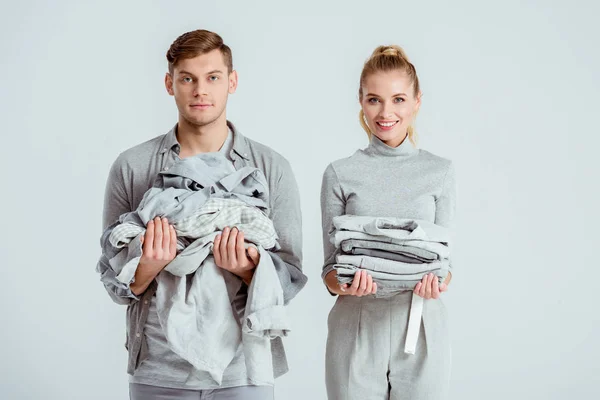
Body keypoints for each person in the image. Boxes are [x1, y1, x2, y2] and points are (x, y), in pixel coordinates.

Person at [97, 29, 306, 400]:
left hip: (243, 372)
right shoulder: (132, 166)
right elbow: (114, 280)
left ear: (232, 81)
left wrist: (247, 268)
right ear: (169, 83)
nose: (200, 90)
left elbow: (290, 276)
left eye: (212, 77)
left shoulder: (271, 168)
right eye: (187, 78)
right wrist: (147, 265)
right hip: (157, 373)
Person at [320, 45, 456, 400]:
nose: (386, 112)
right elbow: (330, 274)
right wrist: (345, 286)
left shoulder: (439, 172)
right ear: (361, 102)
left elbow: (446, 265)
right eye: (374, 100)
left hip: (422, 320)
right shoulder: (340, 173)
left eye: (398, 99)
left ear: (416, 101)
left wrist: (438, 283)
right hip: (356, 323)